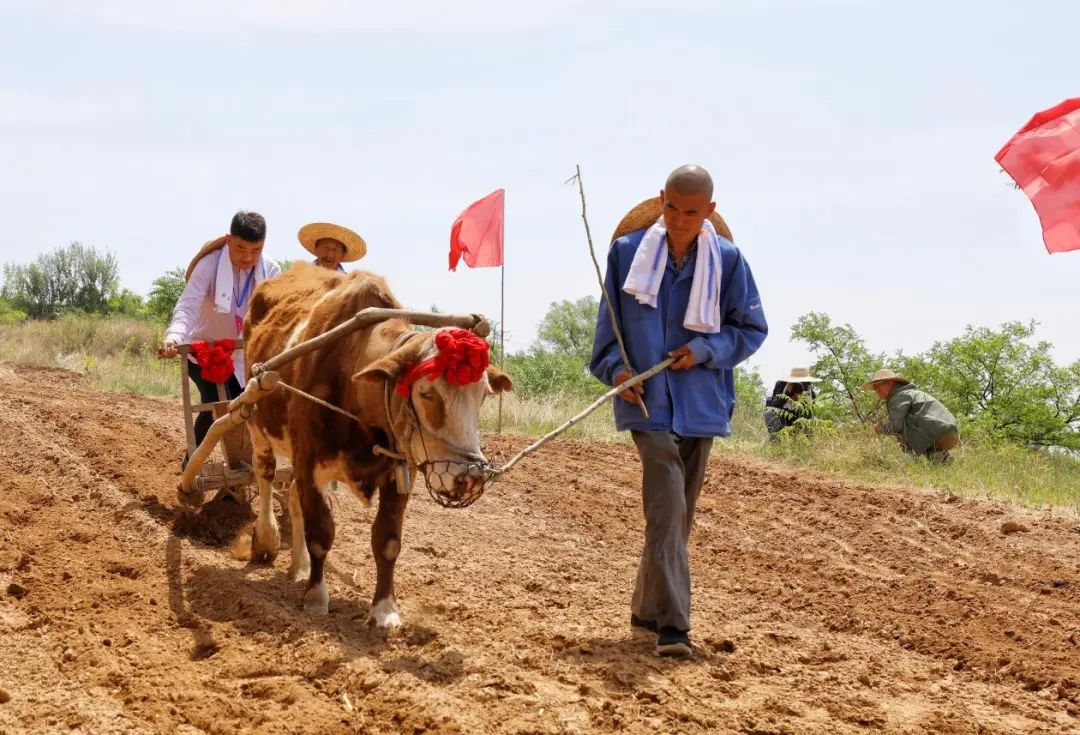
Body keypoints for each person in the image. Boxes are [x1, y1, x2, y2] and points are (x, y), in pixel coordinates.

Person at [590, 164, 768, 657]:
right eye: (672, 208)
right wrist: (617, 374)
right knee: (668, 505)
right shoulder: (626, 255)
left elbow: (751, 329)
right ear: (661, 200)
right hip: (647, 404)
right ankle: (674, 627)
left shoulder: (728, 261)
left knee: (678, 517)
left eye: (692, 212)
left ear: (708, 211)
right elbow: (607, 340)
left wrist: (704, 351)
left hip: (702, 403)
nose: (680, 220)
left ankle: (645, 609)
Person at [160, 211, 281, 463]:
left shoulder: (271, 270)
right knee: (218, 402)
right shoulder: (209, 265)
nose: (248, 257)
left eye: (255, 250)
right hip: (205, 353)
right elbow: (188, 305)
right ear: (228, 240)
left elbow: (278, 316)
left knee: (246, 407)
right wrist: (174, 337)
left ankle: (240, 472)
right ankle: (192, 463)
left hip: (244, 356)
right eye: (241, 248)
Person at [862, 368, 960, 463]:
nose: (875, 390)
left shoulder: (899, 396)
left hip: (936, 433)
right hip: (951, 434)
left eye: (876, 386)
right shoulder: (912, 393)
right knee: (912, 423)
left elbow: (896, 426)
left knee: (902, 424)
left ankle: (909, 459)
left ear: (888, 383)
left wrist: (882, 429)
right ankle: (941, 457)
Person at [764, 367, 820, 439]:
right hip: (783, 420)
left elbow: (812, 411)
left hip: (802, 419)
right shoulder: (781, 384)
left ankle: (810, 445)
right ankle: (776, 442)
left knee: (814, 420)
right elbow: (772, 406)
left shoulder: (808, 387)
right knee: (769, 414)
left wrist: (803, 401)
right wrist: (786, 394)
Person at [297, 222, 367, 272]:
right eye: (326, 248)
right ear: (316, 248)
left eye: (335, 250)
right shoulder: (298, 276)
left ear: (343, 255)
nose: (329, 254)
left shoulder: (348, 285)